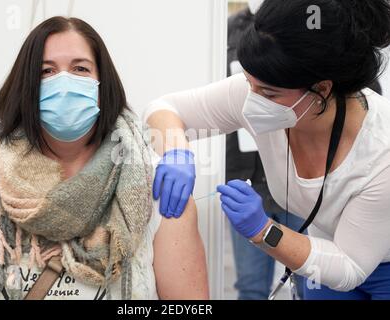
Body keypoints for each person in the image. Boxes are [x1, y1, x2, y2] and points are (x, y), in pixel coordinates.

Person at [0, 16, 208, 300]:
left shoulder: (155, 187)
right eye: (46, 71)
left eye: (80, 68)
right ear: (26, 86)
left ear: (102, 85)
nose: (64, 82)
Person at [145, 0, 390, 300]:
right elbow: (164, 109)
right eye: (249, 83)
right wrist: (176, 152)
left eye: (268, 93)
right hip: (326, 250)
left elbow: (350, 266)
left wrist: (264, 231)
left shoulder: (381, 153)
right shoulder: (262, 91)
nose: (251, 101)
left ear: (322, 90)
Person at [226, 4, 305, 300]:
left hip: (298, 179)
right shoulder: (230, 30)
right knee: (250, 286)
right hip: (246, 179)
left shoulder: (307, 23)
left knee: (311, 282)